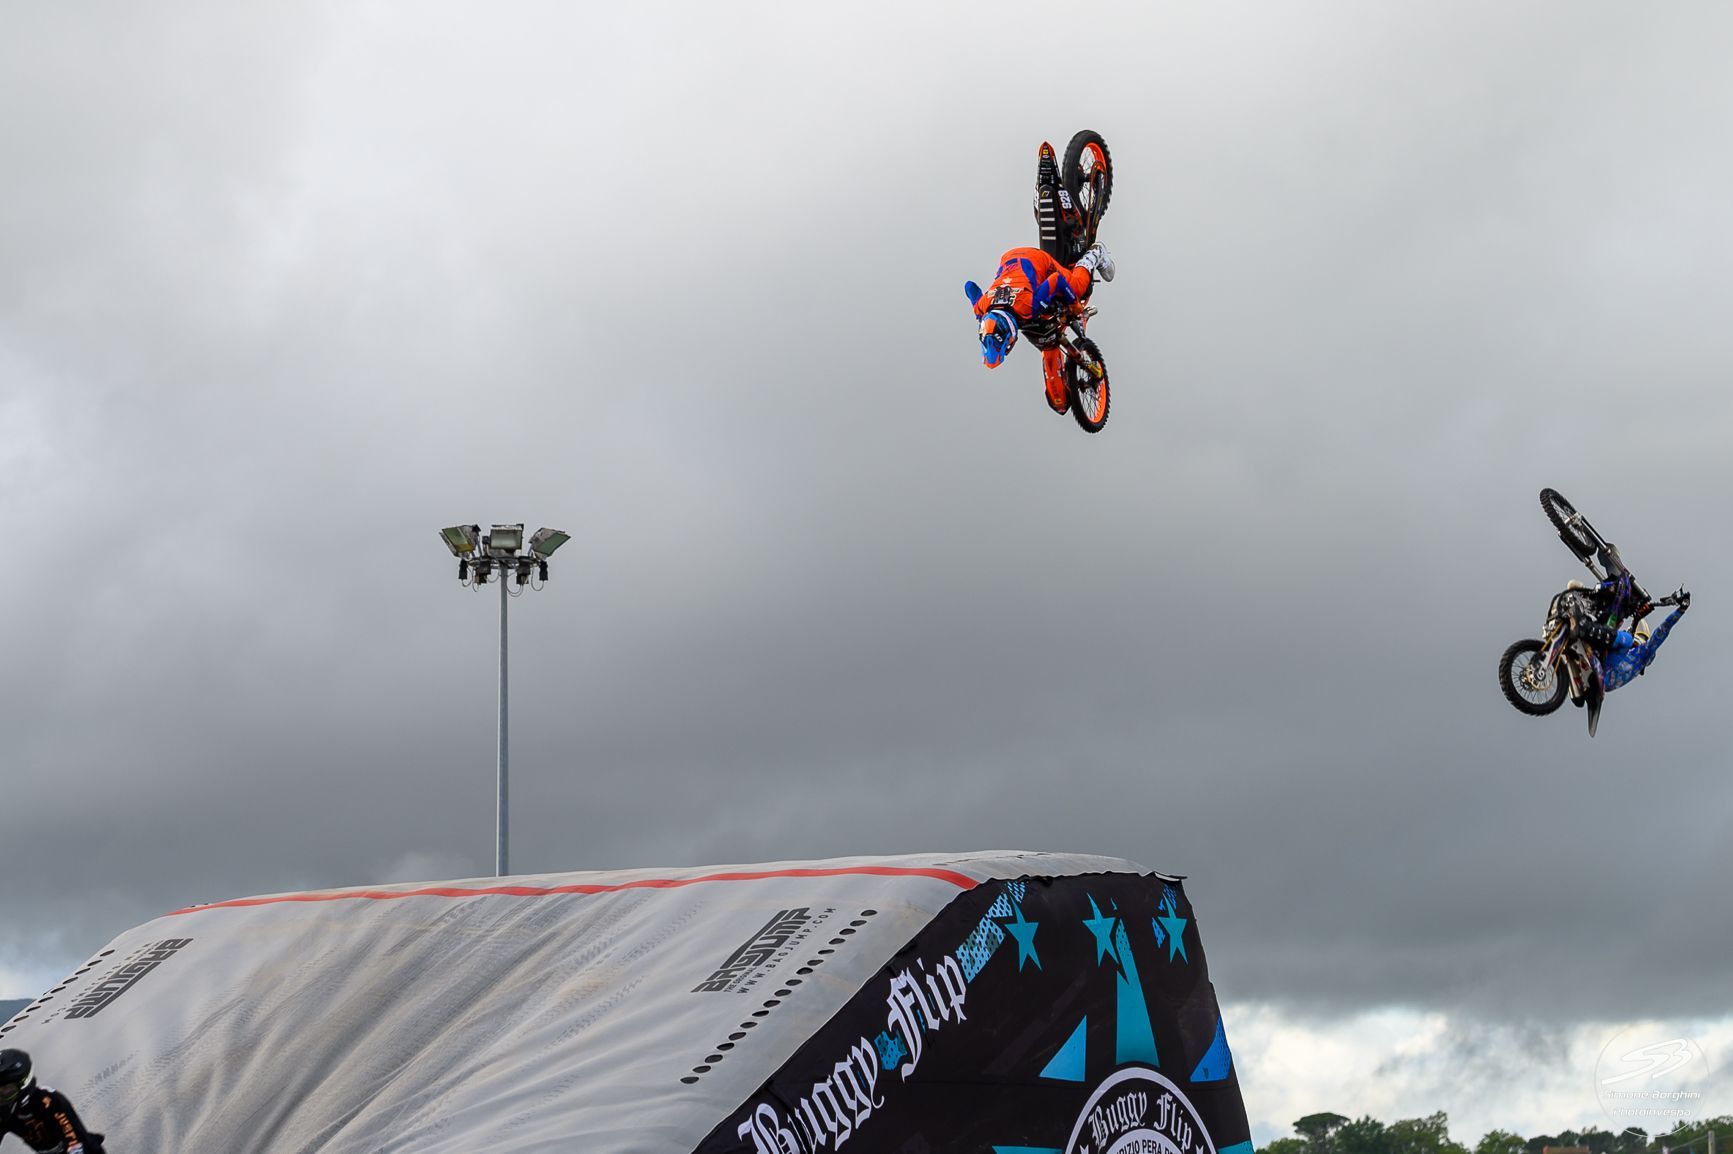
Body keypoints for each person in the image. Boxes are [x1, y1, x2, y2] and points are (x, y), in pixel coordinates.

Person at [965, 242, 1114, 415]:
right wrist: (979, 315)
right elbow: (969, 286)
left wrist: (1074, 304)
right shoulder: (983, 307)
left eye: (1007, 347)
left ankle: (1095, 253)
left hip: (1036, 260)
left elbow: (1057, 280)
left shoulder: (1028, 306)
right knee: (1043, 309)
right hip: (1010, 259)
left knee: (1078, 287)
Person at [1570, 583, 1691, 692]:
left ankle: (1587, 627)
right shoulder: (1631, 658)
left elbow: (1662, 631)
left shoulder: (1643, 653)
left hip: (1604, 675)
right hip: (1599, 671)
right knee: (1616, 632)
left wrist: (1680, 610)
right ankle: (1583, 622)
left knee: (1626, 639)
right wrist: (1636, 619)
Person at [0, 1049, 105, 1153]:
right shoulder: (3, 1113)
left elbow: (74, 1140)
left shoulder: (50, 1101)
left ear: (24, 1084)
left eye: (6, 1089)